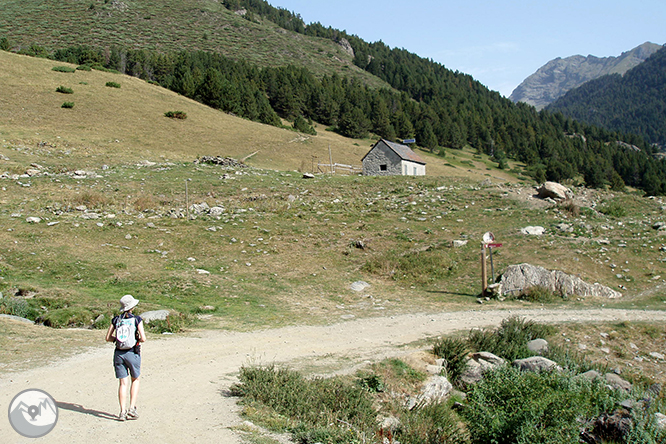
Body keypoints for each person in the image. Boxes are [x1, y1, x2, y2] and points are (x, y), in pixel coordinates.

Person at [105, 294, 147, 421]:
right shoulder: (136, 320)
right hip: (132, 352)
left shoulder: (116, 320)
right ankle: (132, 408)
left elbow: (107, 338)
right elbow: (143, 338)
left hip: (118, 353)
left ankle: (122, 412)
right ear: (132, 307)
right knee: (135, 379)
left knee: (123, 383)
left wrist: (117, 340)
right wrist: (136, 339)